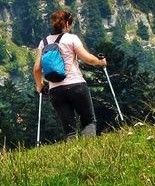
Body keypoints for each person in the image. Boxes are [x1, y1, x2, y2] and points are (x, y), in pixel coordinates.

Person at [33, 9, 107, 140]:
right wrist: (100, 62)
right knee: (88, 121)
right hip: (76, 85)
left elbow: (37, 69)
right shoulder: (72, 38)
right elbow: (88, 59)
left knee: (70, 130)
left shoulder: (43, 42)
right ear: (67, 24)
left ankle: (73, 151)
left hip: (55, 90)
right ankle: (90, 149)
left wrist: (40, 86)